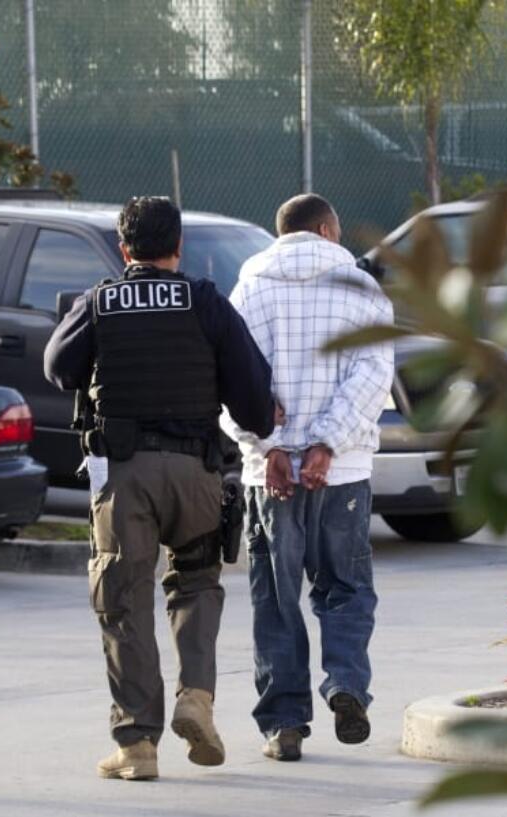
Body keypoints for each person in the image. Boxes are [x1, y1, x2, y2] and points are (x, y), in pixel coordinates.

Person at [44, 196, 277, 781]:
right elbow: (254, 402)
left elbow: (57, 367)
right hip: (196, 472)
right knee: (196, 585)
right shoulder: (206, 302)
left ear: (125, 250)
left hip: (125, 477)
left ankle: (137, 745)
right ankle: (196, 698)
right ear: (179, 248)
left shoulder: (101, 301)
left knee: (123, 599)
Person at [221, 193, 395, 762]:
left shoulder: (247, 288)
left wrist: (270, 446)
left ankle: (285, 725)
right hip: (340, 472)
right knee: (345, 588)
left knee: (276, 598)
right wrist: (327, 443)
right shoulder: (361, 288)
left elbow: (230, 381)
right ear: (325, 230)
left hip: (267, 478)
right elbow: (373, 376)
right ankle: (346, 683)